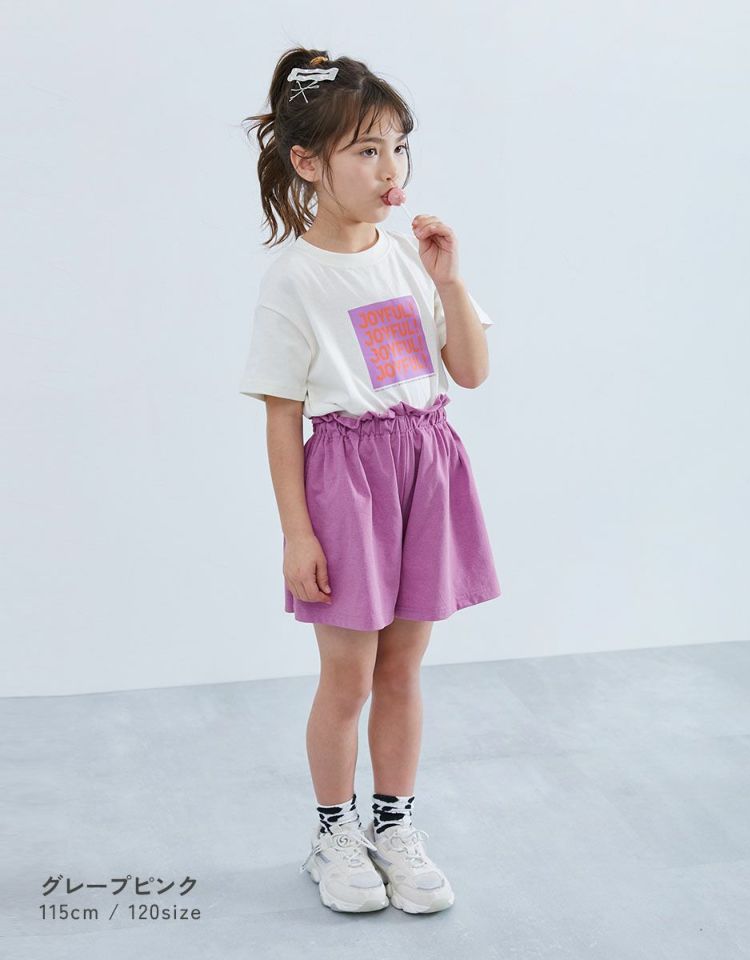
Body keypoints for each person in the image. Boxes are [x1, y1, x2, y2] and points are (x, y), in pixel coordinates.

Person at [239, 47, 501, 915]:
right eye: (366, 150)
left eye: (399, 148)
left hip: (426, 466)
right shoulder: (293, 279)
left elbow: (471, 372)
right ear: (308, 162)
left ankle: (395, 824)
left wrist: (449, 282)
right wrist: (297, 533)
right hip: (347, 481)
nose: (392, 169)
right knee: (348, 676)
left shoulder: (410, 259)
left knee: (403, 669)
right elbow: (281, 416)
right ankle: (333, 833)